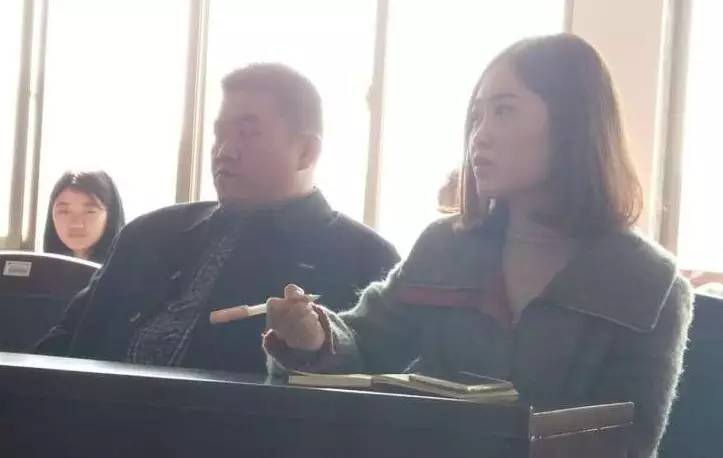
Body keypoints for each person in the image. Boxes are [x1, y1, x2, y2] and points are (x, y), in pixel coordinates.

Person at [263, 35, 693, 458]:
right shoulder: (445, 249)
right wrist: (313, 337)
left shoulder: (648, 284)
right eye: (476, 116)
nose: (479, 137)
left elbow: (624, 445)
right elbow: (362, 347)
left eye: (504, 111)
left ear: (573, 123)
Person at [37, 63, 399, 373]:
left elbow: (380, 396)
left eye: (247, 134)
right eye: (219, 134)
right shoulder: (150, 234)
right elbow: (58, 349)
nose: (224, 152)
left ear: (306, 151)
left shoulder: (364, 260)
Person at [43, 170, 125, 263]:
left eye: (90, 212)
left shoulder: (130, 267)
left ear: (110, 215)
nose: (76, 224)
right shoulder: (39, 267)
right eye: (64, 211)